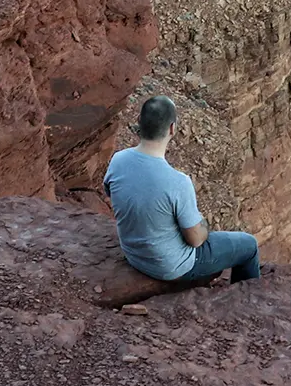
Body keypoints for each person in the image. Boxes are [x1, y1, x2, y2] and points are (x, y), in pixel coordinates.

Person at [103, 95, 261, 284]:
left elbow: (112, 193)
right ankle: (243, 301)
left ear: (139, 121)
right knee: (249, 245)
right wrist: (202, 224)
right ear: (172, 128)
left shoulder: (118, 160)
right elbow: (196, 240)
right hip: (171, 267)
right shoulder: (177, 182)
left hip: (133, 255)